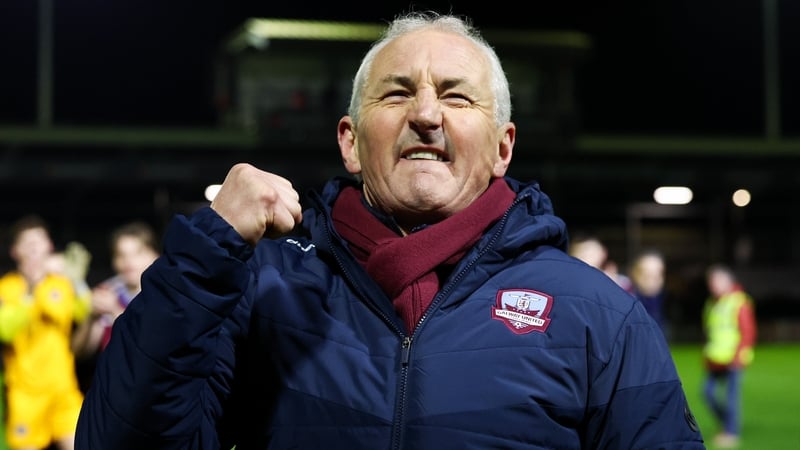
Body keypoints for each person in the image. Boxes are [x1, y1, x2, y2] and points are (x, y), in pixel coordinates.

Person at [76, 11, 704, 449]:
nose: (426, 114)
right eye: (397, 94)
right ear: (350, 143)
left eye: (456, 97)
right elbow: (120, 439)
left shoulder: (598, 314)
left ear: (502, 148)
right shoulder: (263, 288)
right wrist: (205, 254)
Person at [0, 214, 88, 450]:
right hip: (25, 394)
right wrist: (33, 286)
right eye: (27, 244)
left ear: (49, 246)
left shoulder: (61, 284)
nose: (34, 249)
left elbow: (84, 311)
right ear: (15, 251)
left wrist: (76, 281)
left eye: (38, 242)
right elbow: (5, 330)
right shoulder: (6, 288)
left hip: (63, 389)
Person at [71, 221, 160, 361]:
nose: (128, 261)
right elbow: (80, 352)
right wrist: (91, 317)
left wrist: (115, 311)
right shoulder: (109, 292)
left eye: (137, 253)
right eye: (121, 255)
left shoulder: (165, 295)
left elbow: (155, 346)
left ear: (155, 255)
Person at [702, 264, 757, 448]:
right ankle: (727, 424)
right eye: (711, 282)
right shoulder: (712, 303)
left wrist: (740, 354)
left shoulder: (739, 301)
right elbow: (710, 331)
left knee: (731, 397)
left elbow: (748, 331)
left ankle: (731, 432)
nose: (713, 286)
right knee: (707, 393)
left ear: (728, 281)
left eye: (716, 281)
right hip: (715, 358)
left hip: (733, 358)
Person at [629, 249, 668, 338]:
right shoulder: (628, 303)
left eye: (658, 275)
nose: (652, 281)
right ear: (634, 274)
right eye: (647, 275)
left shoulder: (665, 301)